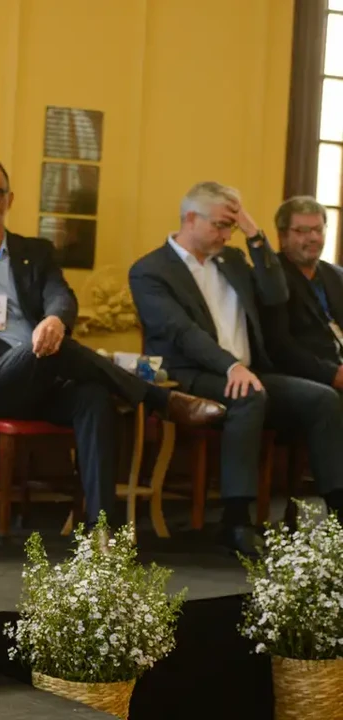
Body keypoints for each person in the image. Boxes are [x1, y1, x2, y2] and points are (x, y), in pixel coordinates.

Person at [0, 157, 224, 529]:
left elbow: (62, 298)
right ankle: (159, 400)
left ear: (9, 200)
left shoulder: (35, 253)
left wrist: (53, 319)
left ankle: (102, 536)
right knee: (51, 349)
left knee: (93, 397)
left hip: (41, 379)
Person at [129, 182, 343, 554]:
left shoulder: (233, 261)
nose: (227, 235)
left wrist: (254, 234)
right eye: (220, 226)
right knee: (249, 396)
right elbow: (182, 333)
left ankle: (338, 515)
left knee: (323, 399)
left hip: (248, 371)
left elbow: (277, 294)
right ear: (191, 219)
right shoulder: (150, 270)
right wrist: (230, 367)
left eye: (232, 227)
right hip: (189, 376)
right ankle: (236, 520)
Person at [263, 196, 343, 393]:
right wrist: (332, 374)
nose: (313, 238)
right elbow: (280, 347)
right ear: (282, 236)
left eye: (318, 229)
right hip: (308, 375)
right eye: (302, 231)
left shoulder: (336, 275)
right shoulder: (271, 278)